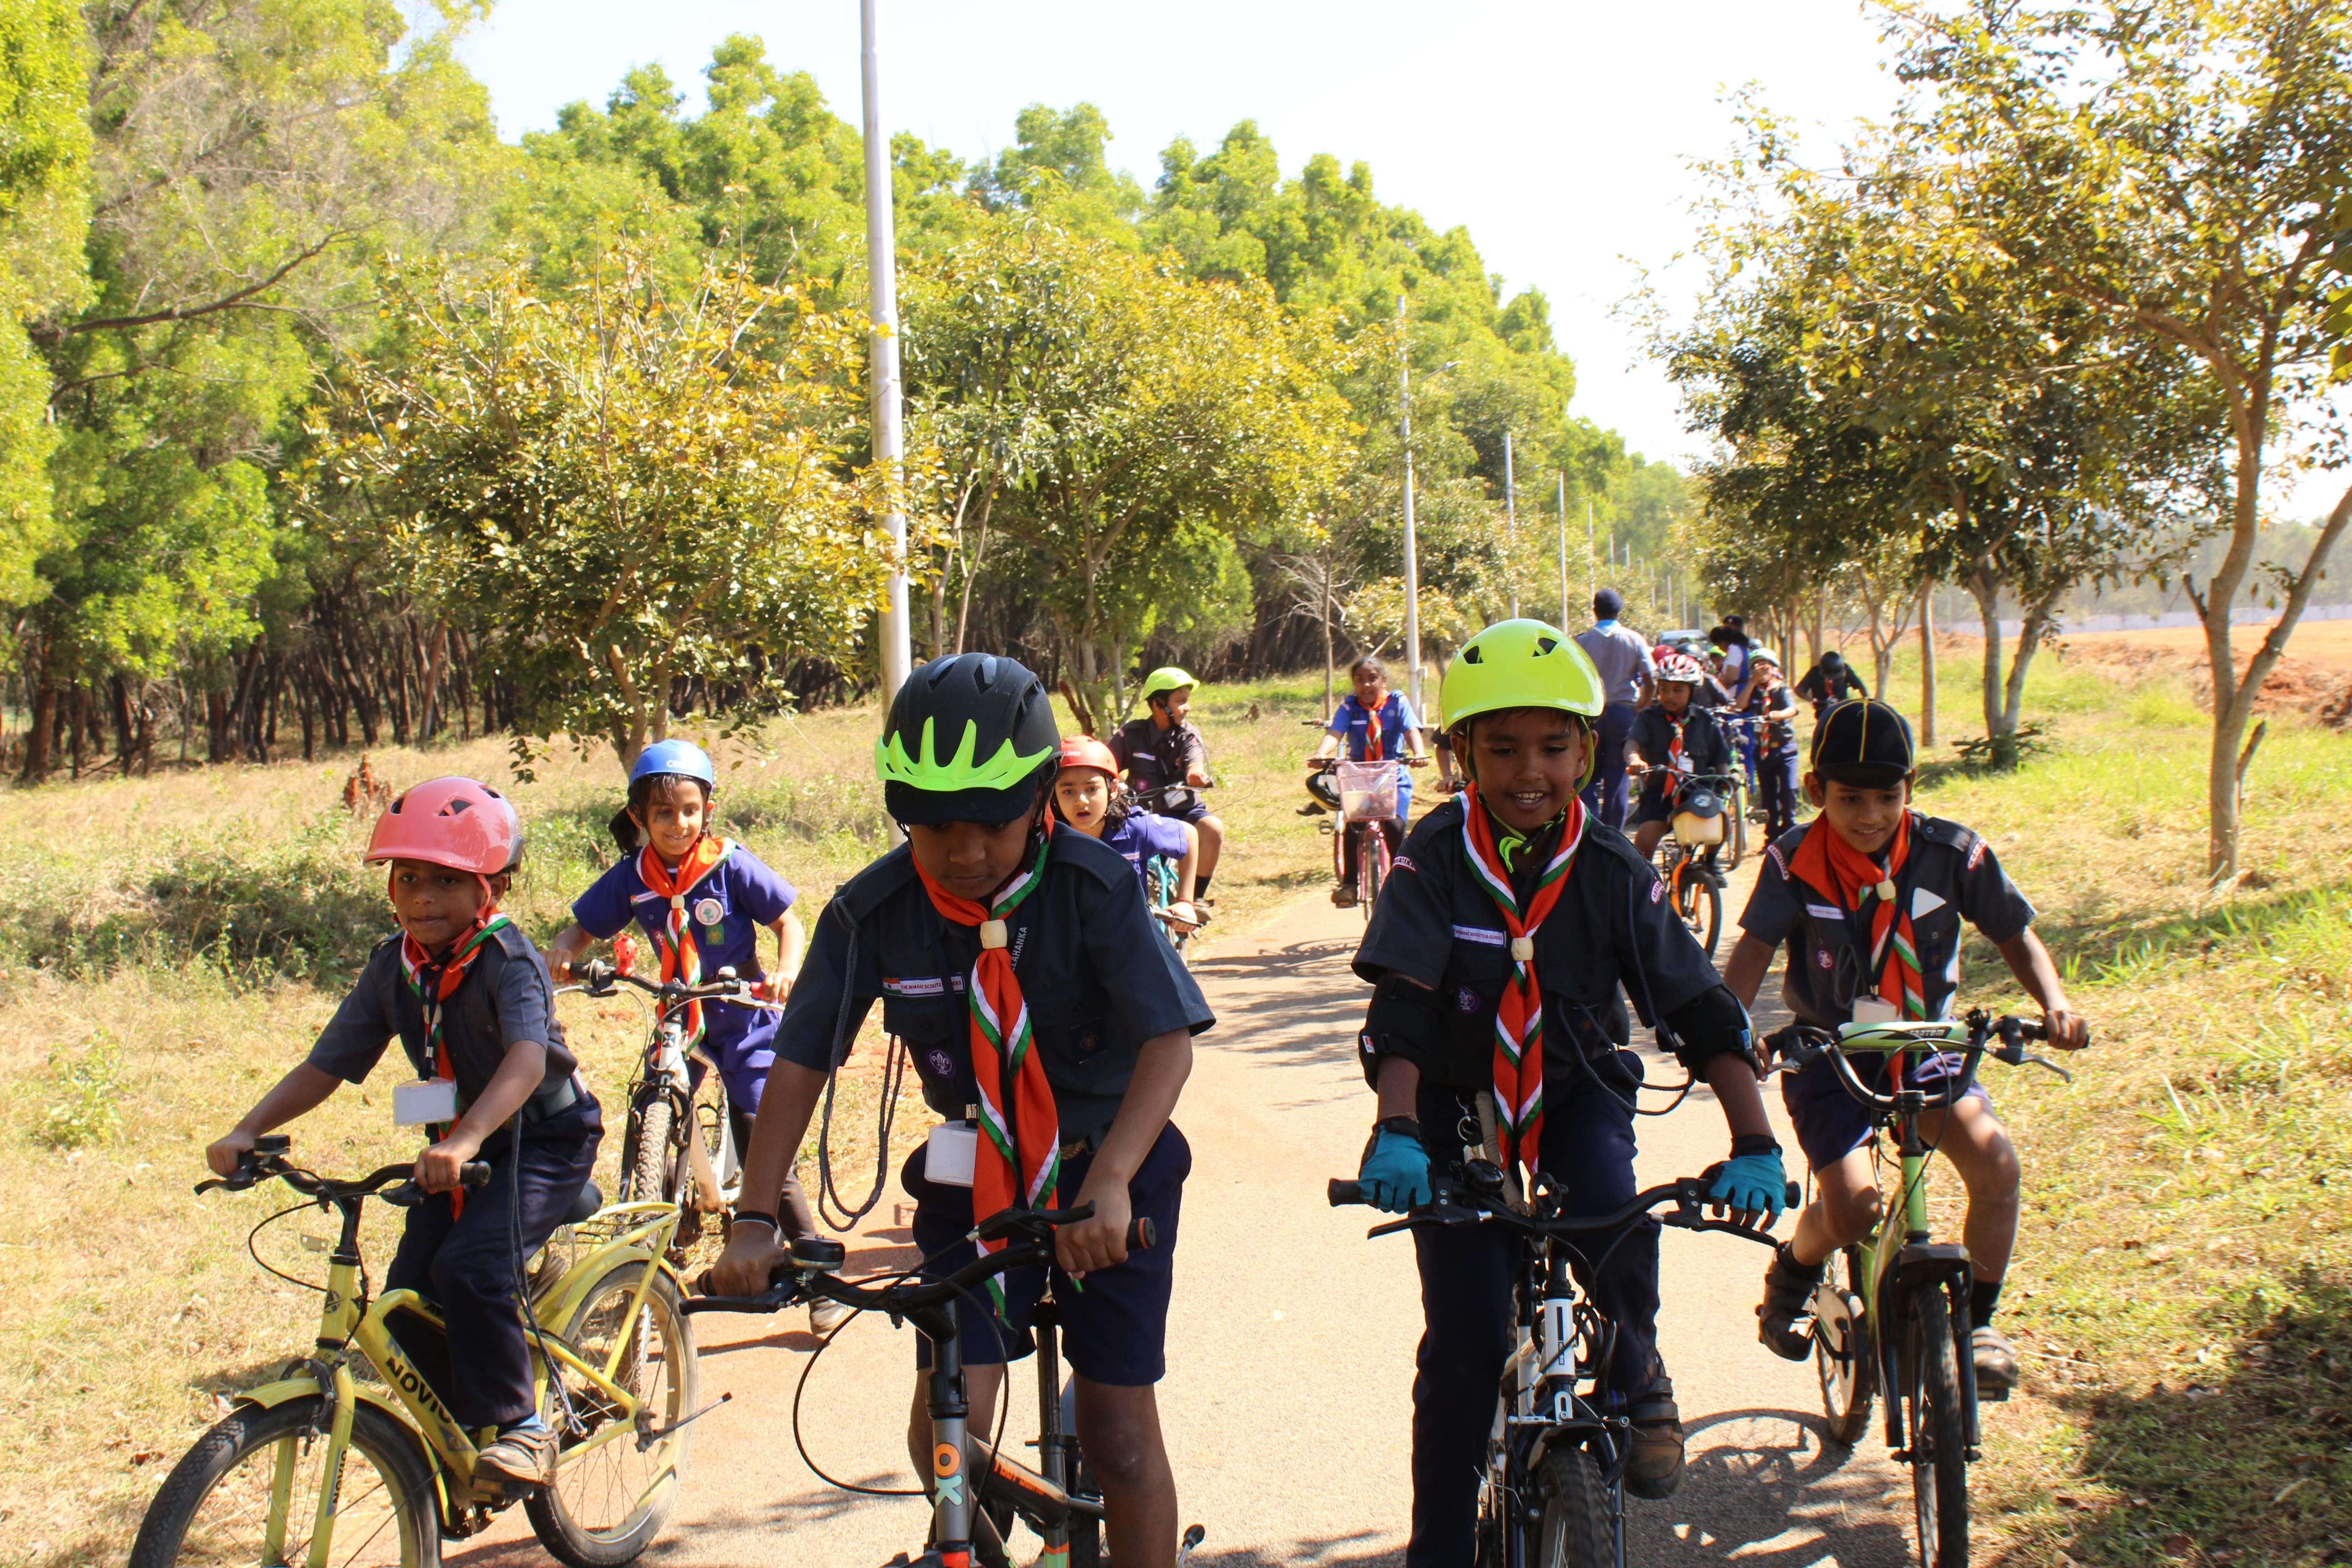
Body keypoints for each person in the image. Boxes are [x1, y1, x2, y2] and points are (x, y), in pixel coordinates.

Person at [711, 652, 1214, 1568]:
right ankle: (991, 1549)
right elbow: (797, 1064)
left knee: (1121, 1436)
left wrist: (1108, 1182)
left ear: (1038, 797)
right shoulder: (872, 913)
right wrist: (753, 1220)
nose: (966, 849)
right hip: (974, 1172)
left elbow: (1168, 1045)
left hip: (1112, 1170)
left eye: (991, 823)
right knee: (945, 1435)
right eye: (934, 825)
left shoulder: (1096, 888)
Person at [1348, 617, 1789, 1555]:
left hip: (1578, 1091)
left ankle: (1639, 1373)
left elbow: (1697, 1003)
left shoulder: (1611, 867)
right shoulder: (1432, 860)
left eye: (1554, 746)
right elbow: (1403, 1008)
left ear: (1588, 750)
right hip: (1452, 1111)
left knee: (1613, 1213)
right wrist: (1396, 1129)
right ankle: (1440, 1548)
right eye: (1500, 748)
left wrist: (1754, 1140)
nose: (1528, 772)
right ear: (1462, 753)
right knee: (1463, 1343)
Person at [207, 778, 601, 1486]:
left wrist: (466, 1139)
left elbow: (526, 1058)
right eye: (408, 877)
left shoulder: (509, 959)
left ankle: (523, 1427)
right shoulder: (396, 965)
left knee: (472, 1269)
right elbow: (327, 1064)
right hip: (455, 1146)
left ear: (494, 887)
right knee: (405, 1299)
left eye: (447, 881)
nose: (422, 897)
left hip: (543, 1139)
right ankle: (465, 1435)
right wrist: (248, 1128)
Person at [1721, 700, 2088, 1396]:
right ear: (1815, 793)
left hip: (1928, 1048)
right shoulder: (1794, 860)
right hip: (1830, 1056)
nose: (1869, 816)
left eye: (1887, 797)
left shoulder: (1954, 854)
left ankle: (1977, 1323)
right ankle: (1795, 1268)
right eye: (1849, 798)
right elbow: (1755, 950)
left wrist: (2056, 1005)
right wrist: (1732, 1035)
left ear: (1911, 787)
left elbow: (2014, 934)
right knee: (1853, 1208)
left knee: (1996, 1166)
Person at [543, 740, 838, 1333]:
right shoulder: (634, 877)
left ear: (707, 809)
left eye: (688, 811)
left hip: (742, 1015)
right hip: (680, 1013)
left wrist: (785, 969)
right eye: (662, 815)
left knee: (762, 1135)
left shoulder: (729, 863)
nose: (678, 825)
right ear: (639, 819)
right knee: (655, 1110)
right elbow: (583, 927)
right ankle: (665, 1232)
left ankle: (810, 1263)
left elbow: (789, 920)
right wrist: (562, 952)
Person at [1305, 654, 1429, 906]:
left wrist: (1418, 753)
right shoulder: (1350, 707)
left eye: (1373, 679)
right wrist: (1322, 753)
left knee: (1394, 827)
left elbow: (1411, 730)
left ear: (1384, 680)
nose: (1366, 685)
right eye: (1359, 680)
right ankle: (1349, 885)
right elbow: (1335, 732)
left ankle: (1403, 883)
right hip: (1359, 776)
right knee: (1354, 826)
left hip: (1392, 776)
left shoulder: (1397, 702)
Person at [1052, 734, 1201, 934]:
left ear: (1112, 789)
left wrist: (1185, 902)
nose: (1082, 801)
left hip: (1133, 938)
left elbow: (1189, 836)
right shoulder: (1050, 839)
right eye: (1068, 791)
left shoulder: (1136, 830)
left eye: (1092, 789)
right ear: (1053, 793)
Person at [1109, 666, 1225, 907]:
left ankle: (1195, 899)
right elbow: (1107, 762)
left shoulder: (1189, 736)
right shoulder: (1131, 734)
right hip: (1142, 810)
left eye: (1187, 701)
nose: (1188, 707)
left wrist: (1196, 775)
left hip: (1185, 811)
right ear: (1159, 704)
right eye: (1181, 701)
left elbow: (1195, 762)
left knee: (1213, 829)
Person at [1623, 652, 1734, 861]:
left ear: (1692, 691)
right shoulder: (1648, 718)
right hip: (1660, 796)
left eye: (1678, 690)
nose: (1669, 696)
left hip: (1697, 792)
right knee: (1644, 844)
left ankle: (1709, 864)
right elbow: (1632, 743)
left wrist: (1727, 778)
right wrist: (1634, 760)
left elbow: (1720, 757)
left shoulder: (1705, 720)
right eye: (1664, 689)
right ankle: (1646, 888)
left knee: (1723, 821)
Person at [1572, 589, 1652, 830]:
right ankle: (1613, 835)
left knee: (1585, 774)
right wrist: (1643, 706)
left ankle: (1589, 829)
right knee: (1618, 776)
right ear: (1619, 611)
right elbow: (1651, 679)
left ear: (1595, 611)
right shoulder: (1634, 639)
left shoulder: (1582, 641)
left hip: (1592, 714)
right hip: (1624, 713)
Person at [1738, 649, 1804, 838]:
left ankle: (1790, 829)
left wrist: (1778, 715)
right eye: (1756, 667)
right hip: (1764, 751)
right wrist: (1751, 682)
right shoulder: (1754, 692)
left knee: (1789, 790)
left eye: (1765, 666)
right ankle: (1772, 835)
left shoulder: (1781, 689)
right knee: (1769, 795)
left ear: (1774, 668)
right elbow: (1739, 706)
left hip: (1784, 748)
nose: (1761, 671)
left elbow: (1793, 709)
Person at [1795, 647, 1869, 720]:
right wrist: (1811, 700)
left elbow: (1861, 687)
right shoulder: (1814, 673)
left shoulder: (1846, 670)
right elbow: (1799, 690)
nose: (1832, 679)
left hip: (1843, 709)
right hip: (1823, 712)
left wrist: (1867, 704)